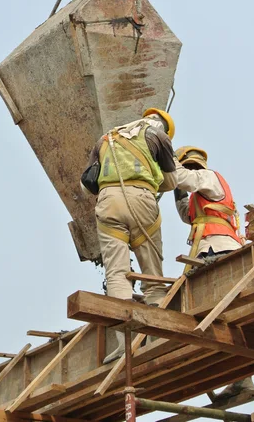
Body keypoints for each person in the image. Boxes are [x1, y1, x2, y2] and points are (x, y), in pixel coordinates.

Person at [81, 108, 177, 363]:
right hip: (142, 199)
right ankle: (157, 336)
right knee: (153, 276)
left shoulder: (105, 139)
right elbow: (171, 181)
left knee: (116, 274)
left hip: (108, 202)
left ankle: (124, 342)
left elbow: (85, 182)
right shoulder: (159, 136)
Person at [174, 146, 254, 397]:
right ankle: (241, 378)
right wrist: (176, 193)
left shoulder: (210, 178)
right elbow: (187, 215)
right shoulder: (200, 195)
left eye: (191, 167)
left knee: (223, 315)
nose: (191, 171)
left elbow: (185, 178)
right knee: (219, 319)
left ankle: (241, 378)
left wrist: (168, 166)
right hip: (206, 253)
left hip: (220, 251)